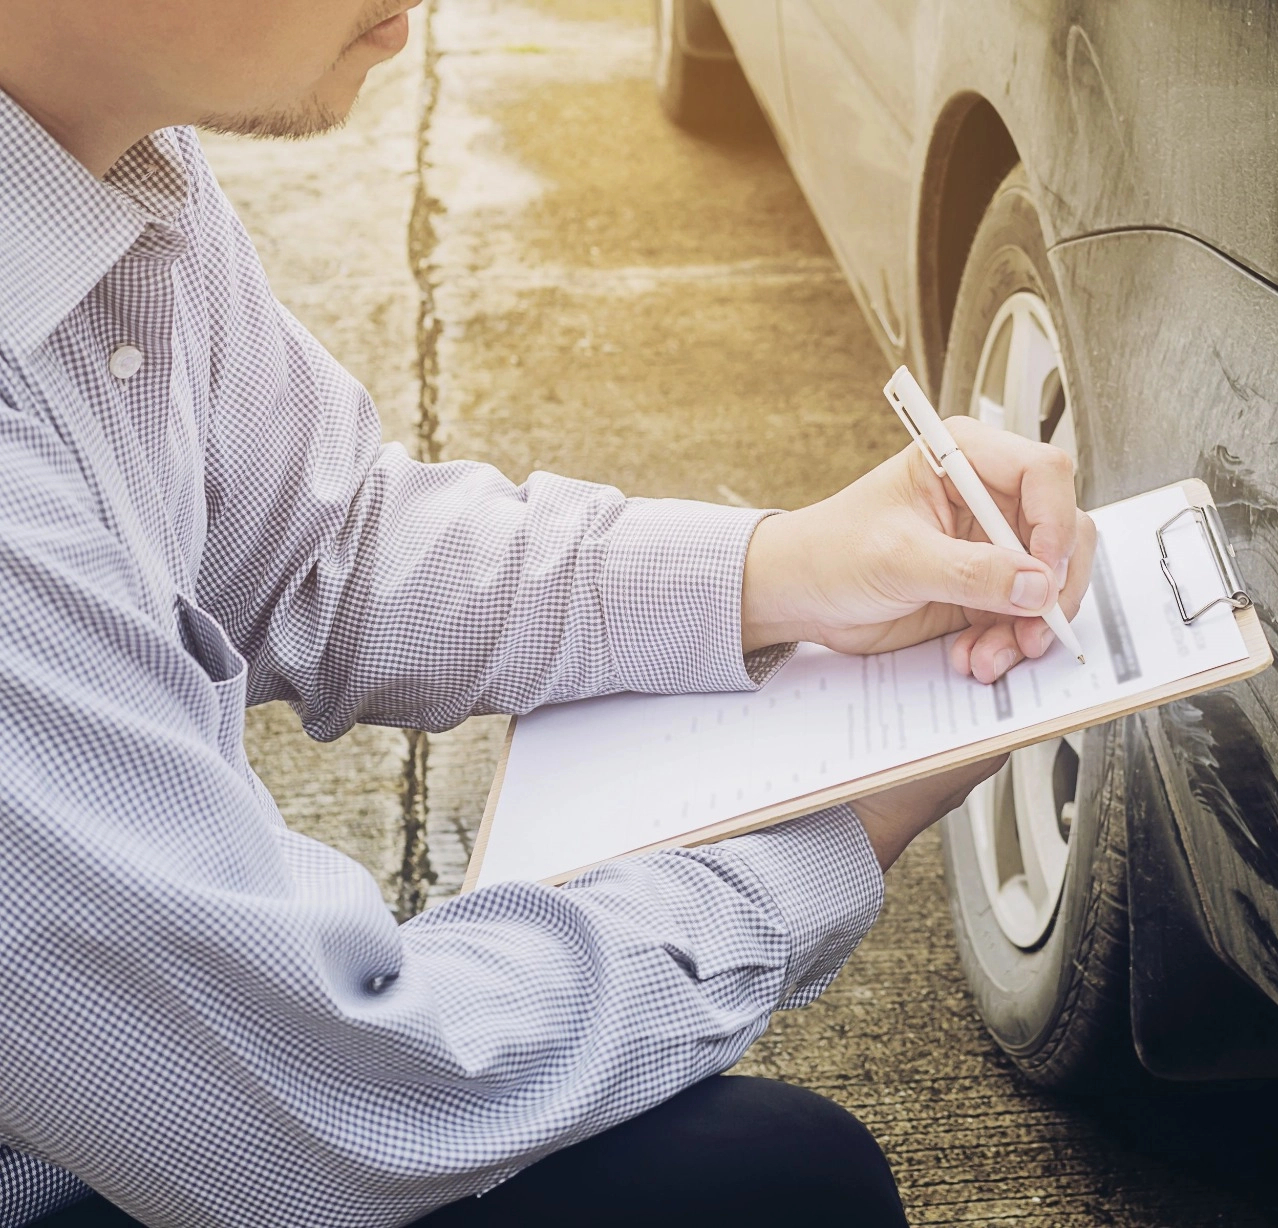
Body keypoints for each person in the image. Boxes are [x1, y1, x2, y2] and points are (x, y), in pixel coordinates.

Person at [0, 0, 1097, 1224]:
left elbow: (324, 547)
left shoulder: (110, 165)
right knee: (777, 1192)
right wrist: (813, 837)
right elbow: (335, 1101)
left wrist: (782, 570)